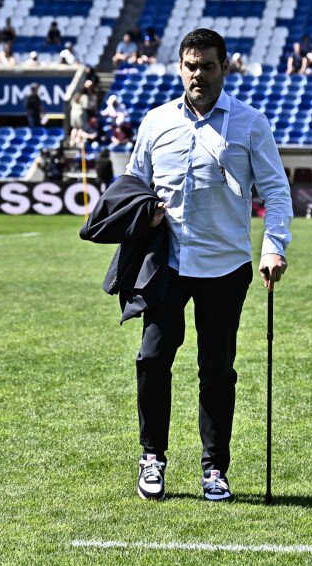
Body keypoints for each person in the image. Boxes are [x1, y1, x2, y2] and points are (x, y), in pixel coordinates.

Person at [119, 28, 292, 502]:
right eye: (191, 66)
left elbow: (275, 192)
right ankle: (152, 457)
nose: (199, 75)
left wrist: (274, 246)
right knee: (153, 359)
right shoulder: (155, 122)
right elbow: (136, 182)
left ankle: (215, 468)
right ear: (180, 67)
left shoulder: (251, 123)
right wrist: (143, 212)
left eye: (208, 66)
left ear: (225, 68)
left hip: (225, 264)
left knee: (217, 369)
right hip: (167, 263)